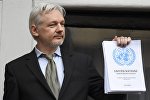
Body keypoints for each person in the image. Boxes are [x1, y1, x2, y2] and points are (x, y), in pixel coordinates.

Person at [3, 3, 131, 100]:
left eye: (62, 24)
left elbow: (113, 98)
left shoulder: (82, 63)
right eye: (52, 25)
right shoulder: (15, 69)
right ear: (35, 30)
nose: (60, 29)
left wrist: (118, 54)